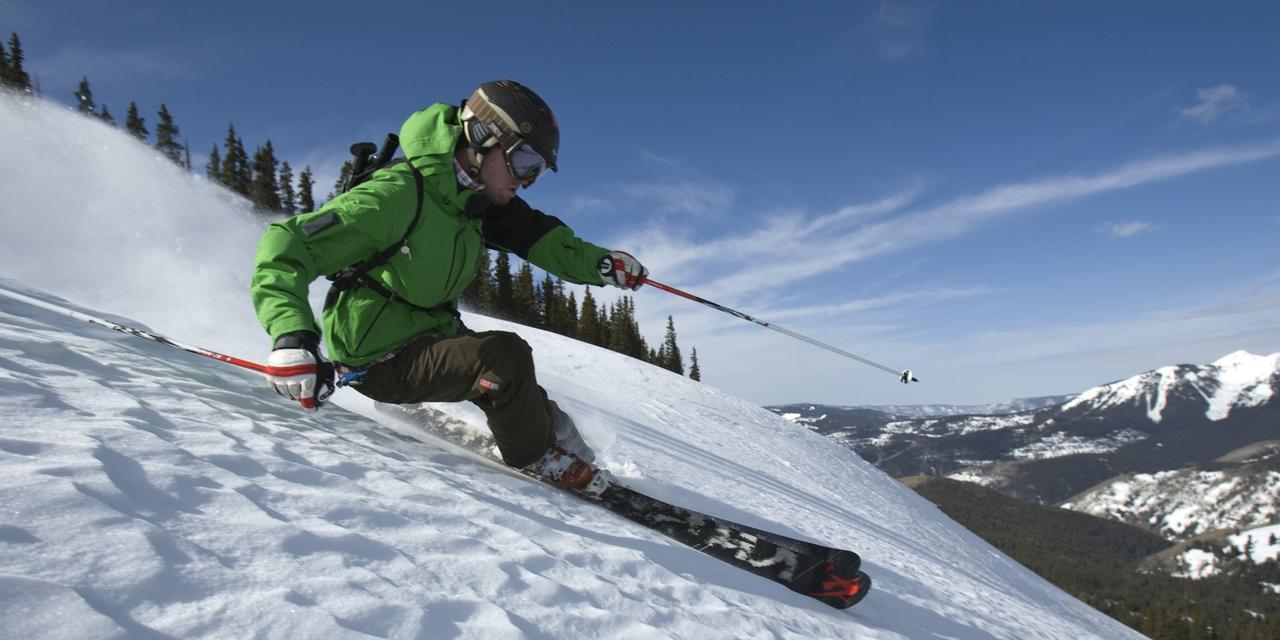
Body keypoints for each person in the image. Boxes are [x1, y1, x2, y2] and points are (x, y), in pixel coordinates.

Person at [250, 80, 647, 497]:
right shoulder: (398, 195)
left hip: (431, 336)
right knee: (503, 358)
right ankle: (538, 458)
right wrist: (292, 335)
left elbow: (541, 237)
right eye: (525, 162)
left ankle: (570, 454)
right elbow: (287, 247)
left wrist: (601, 264)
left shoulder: (474, 201)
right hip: (379, 356)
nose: (527, 181)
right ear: (482, 137)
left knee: (536, 406)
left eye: (539, 171)